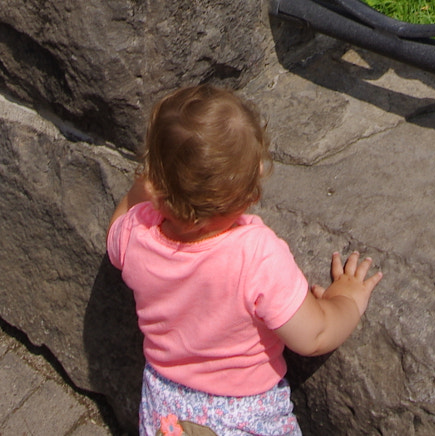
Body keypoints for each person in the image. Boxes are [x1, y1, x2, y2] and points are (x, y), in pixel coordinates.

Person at [107, 85, 382, 436]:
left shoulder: (136, 235)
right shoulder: (255, 254)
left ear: (156, 183)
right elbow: (315, 335)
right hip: (242, 417)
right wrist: (347, 298)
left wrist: (146, 185)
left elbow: (117, 223)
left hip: (167, 411)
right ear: (249, 194)